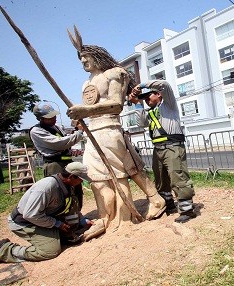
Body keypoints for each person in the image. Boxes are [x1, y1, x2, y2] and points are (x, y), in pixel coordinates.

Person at [66, 31, 166, 240]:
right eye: (80, 58)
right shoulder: (86, 82)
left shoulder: (115, 73)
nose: (83, 60)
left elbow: (116, 104)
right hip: (92, 132)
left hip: (110, 128)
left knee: (125, 170)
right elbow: (89, 106)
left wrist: (84, 111)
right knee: (97, 176)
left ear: (97, 55)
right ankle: (106, 216)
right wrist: (80, 116)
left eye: (86, 56)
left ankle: (142, 206)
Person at [0, 162, 93, 268]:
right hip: (25, 223)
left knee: (72, 231)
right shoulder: (46, 187)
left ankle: (57, 235)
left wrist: (82, 220)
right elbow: (30, 215)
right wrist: (57, 224)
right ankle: (5, 250)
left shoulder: (69, 185)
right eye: (80, 179)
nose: (81, 182)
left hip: (42, 219)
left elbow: (71, 205)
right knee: (50, 251)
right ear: (71, 176)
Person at [128, 80, 197, 223]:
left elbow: (164, 84)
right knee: (161, 180)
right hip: (158, 149)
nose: (146, 100)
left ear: (158, 95)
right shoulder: (152, 112)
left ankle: (187, 210)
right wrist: (137, 103)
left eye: (149, 96)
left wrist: (142, 86)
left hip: (172, 146)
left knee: (178, 176)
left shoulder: (168, 105)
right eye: (144, 98)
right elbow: (142, 123)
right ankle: (169, 205)